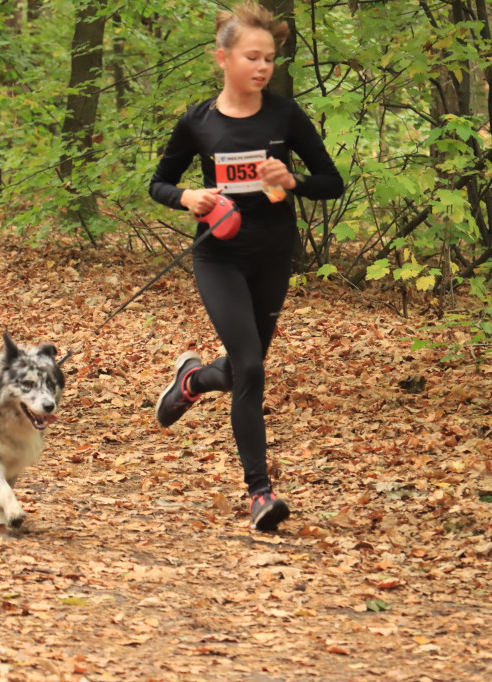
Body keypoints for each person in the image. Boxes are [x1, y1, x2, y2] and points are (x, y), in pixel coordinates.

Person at [149, 1, 344, 531]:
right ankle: (261, 493)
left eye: (270, 59)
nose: (262, 67)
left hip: (272, 256)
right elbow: (159, 183)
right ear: (223, 58)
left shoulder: (285, 117)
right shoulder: (198, 122)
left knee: (239, 367)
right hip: (218, 257)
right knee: (252, 369)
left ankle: (192, 380)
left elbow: (332, 183)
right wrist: (187, 196)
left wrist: (293, 180)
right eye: (252, 57)